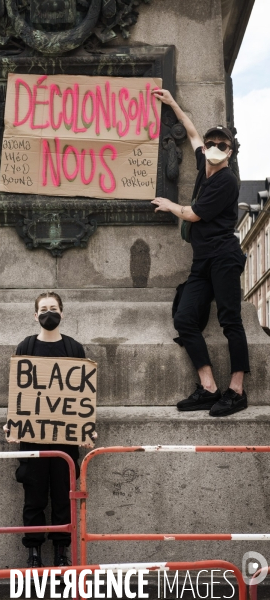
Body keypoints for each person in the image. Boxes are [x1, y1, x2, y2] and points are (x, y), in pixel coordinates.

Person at [151, 89, 250, 417]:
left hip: (223, 257)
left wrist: (169, 205)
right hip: (203, 260)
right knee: (184, 317)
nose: (216, 148)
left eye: (223, 145)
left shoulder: (227, 182)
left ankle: (236, 391)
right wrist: (172, 103)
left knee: (230, 321)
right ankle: (209, 387)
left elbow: (193, 214)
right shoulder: (202, 161)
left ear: (230, 151)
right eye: (212, 144)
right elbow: (192, 132)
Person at [4, 291, 96, 568]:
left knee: (62, 499)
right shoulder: (26, 346)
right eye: (43, 309)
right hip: (32, 440)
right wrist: (13, 422)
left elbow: (82, 395)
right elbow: (19, 392)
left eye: (53, 308)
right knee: (33, 498)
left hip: (66, 443)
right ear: (35, 315)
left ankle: (61, 552)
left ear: (62, 313)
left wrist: (85, 428)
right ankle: (33, 553)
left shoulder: (74, 349)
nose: (48, 313)